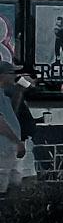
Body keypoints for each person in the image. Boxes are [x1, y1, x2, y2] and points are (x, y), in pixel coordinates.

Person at [0, 62, 22, 197]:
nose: (15, 76)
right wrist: (17, 142)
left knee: (14, 187)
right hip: (2, 150)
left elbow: (11, 114)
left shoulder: (3, 94)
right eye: (11, 73)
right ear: (2, 75)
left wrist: (19, 91)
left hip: (8, 151)